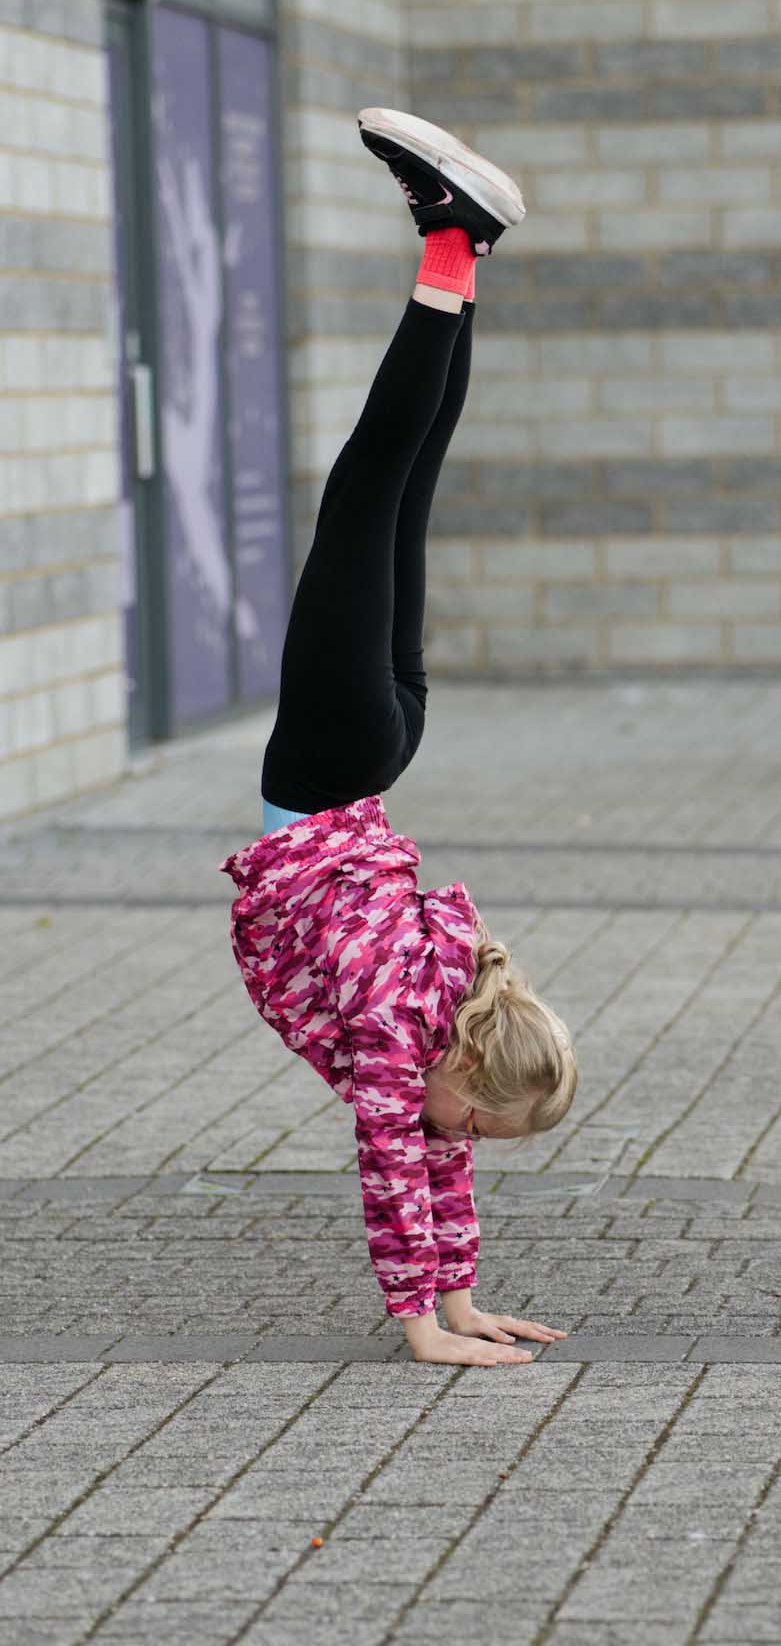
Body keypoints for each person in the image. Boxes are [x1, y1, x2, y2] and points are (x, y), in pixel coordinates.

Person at [219, 109, 577, 1368]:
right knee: (370, 485)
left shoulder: (445, 1019)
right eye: (475, 1125)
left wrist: (465, 1301)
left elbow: (433, 1168)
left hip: (381, 754)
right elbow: (391, 1169)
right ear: (466, 1071)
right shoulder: (395, 1035)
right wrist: (418, 1328)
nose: (459, 1143)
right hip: (330, 772)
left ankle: (464, 252)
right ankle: (450, 239)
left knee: (407, 488)